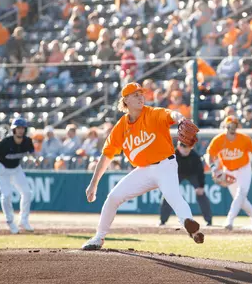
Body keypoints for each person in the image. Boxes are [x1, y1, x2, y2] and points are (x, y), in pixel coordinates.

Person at [82, 83, 204, 250]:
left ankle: (191, 228)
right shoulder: (121, 126)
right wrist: (93, 184)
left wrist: (181, 119)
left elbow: (171, 114)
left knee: (173, 197)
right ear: (126, 100)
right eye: (135, 95)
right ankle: (98, 238)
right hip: (143, 170)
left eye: (141, 93)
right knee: (113, 198)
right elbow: (107, 155)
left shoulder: (153, 113)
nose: (140, 97)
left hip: (165, 165)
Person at [206, 116, 252, 231]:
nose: (232, 128)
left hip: (244, 169)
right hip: (228, 170)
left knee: (241, 194)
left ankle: (230, 220)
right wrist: (213, 167)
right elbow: (209, 154)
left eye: (234, 125)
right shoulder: (219, 139)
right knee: (240, 199)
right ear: (225, 126)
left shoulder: (244, 138)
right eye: (230, 125)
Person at [0, 118, 35, 234]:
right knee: (7, 194)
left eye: (22, 128)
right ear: (13, 129)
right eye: (18, 128)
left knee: (27, 192)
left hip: (15, 169)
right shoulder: (6, 142)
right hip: (1, 169)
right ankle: (10, 222)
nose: (20, 131)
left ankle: (23, 220)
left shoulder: (27, 141)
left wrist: (34, 158)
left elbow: (32, 152)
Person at [160, 141, 212, 227]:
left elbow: (200, 172)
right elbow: (166, 170)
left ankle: (209, 220)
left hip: (193, 174)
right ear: (179, 146)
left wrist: (201, 186)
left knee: (201, 194)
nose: (185, 150)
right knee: (168, 194)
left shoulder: (195, 156)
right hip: (177, 174)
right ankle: (162, 220)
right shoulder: (173, 155)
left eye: (188, 147)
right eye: (183, 147)